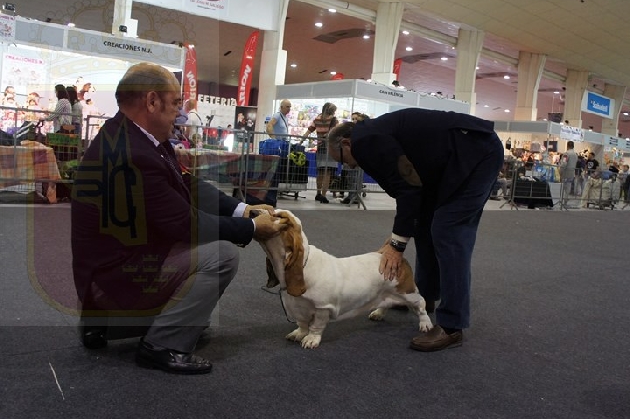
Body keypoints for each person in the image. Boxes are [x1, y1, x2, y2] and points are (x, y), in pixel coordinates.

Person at [71, 62, 286, 374]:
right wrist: (252, 227)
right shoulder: (133, 153)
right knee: (221, 256)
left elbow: (186, 184)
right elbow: (185, 223)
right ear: (152, 101)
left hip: (112, 265)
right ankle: (163, 345)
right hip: (115, 275)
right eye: (175, 103)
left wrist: (242, 209)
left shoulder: (133, 137)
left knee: (198, 301)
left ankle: (105, 322)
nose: (180, 113)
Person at [327, 108, 503, 352]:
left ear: (346, 143)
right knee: (424, 225)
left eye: (341, 159)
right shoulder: (371, 136)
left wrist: (396, 245)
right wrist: (396, 237)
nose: (347, 166)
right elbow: (413, 189)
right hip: (451, 161)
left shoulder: (365, 141)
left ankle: (452, 326)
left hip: (477, 153)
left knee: (449, 231)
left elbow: (407, 190)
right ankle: (424, 296)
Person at [301, 102, 338, 204]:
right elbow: (332, 133)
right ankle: (324, 195)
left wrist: (301, 141)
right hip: (329, 147)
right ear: (332, 111)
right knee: (327, 173)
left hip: (320, 147)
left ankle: (318, 193)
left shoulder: (317, 119)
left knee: (320, 171)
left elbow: (309, 130)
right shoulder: (333, 120)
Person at [559, 141, 579, 208]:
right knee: (568, 187)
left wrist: (560, 172)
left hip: (566, 172)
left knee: (563, 188)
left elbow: (564, 163)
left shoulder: (566, 154)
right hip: (572, 172)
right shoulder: (575, 155)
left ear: (567, 146)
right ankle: (565, 202)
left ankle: (562, 201)